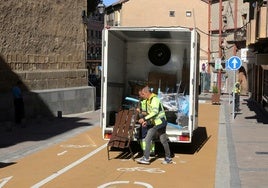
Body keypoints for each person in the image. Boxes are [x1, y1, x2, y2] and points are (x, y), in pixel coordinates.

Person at [136, 86, 172, 165]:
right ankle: (168, 158)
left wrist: (144, 119)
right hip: (159, 122)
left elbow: (155, 112)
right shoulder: (149, 100)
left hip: (159, 122)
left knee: (147, 138)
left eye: (143, 94)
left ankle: (146, 158)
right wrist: (148, 121)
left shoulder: (154, 99)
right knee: (163, 140)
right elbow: (151, 114)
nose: (142, 96)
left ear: (146, 92)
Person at [136, 90, 155, 156]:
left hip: (147, 121)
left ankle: (147, 151)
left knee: (145, 136)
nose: (139, 96)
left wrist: (140, 111)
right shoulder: (142, 101)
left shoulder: (147, 101)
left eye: (140, 95)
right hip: (144, 120)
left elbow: (148, 112)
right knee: (144, 136)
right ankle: (148, 150)